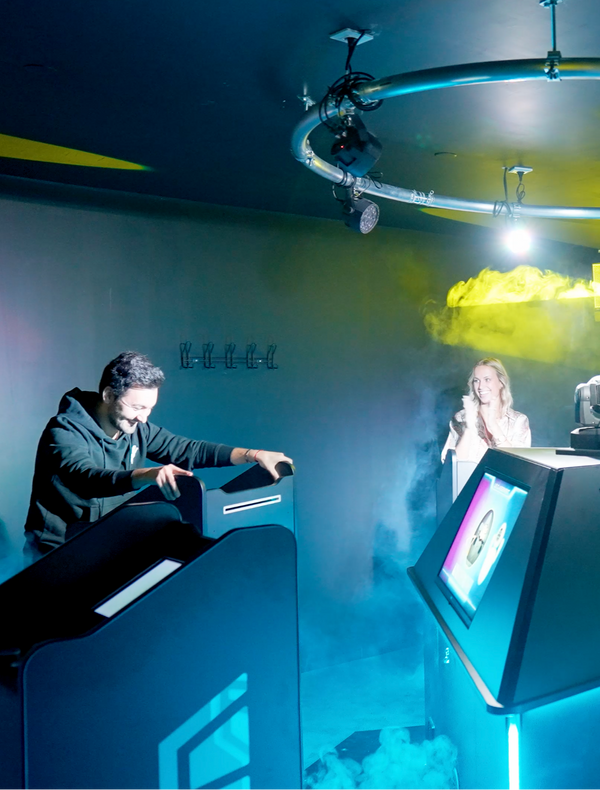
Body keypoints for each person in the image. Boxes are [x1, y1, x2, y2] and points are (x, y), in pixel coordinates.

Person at [25, 351, 292, 553]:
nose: (143, 418)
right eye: (137, 408)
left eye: (149, 409)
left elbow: (187, 449)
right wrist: (147, 474)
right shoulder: (64, 430)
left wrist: (254, 454)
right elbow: (86, 478)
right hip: (55, 549)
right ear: (108, 395)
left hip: (104, 542)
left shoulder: (136, 428)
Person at [441, 357, 531, 464]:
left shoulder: (518, 421)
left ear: (501, 382)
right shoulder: (460, 418)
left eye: (487, 379)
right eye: (476, 381)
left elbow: (518, 465)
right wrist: (469, 428)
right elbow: (453, 465)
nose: (480, 386)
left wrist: (493, 426)